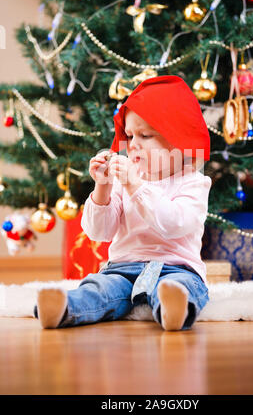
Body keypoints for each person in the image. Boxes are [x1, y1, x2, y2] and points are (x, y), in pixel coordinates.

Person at [34, 75, 212, 331]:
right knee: (100, 288)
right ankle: (64, 307)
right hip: (123, 268)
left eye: (145, 135)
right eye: (129, 136)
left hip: (175, 267)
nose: (133, 145)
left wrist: (135, 186)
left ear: (178, 139)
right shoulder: (123, 180)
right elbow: (99, 232)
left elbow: (174, 224)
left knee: (179, 286)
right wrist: (103, 186)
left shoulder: (193, 182)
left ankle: (175, 307)